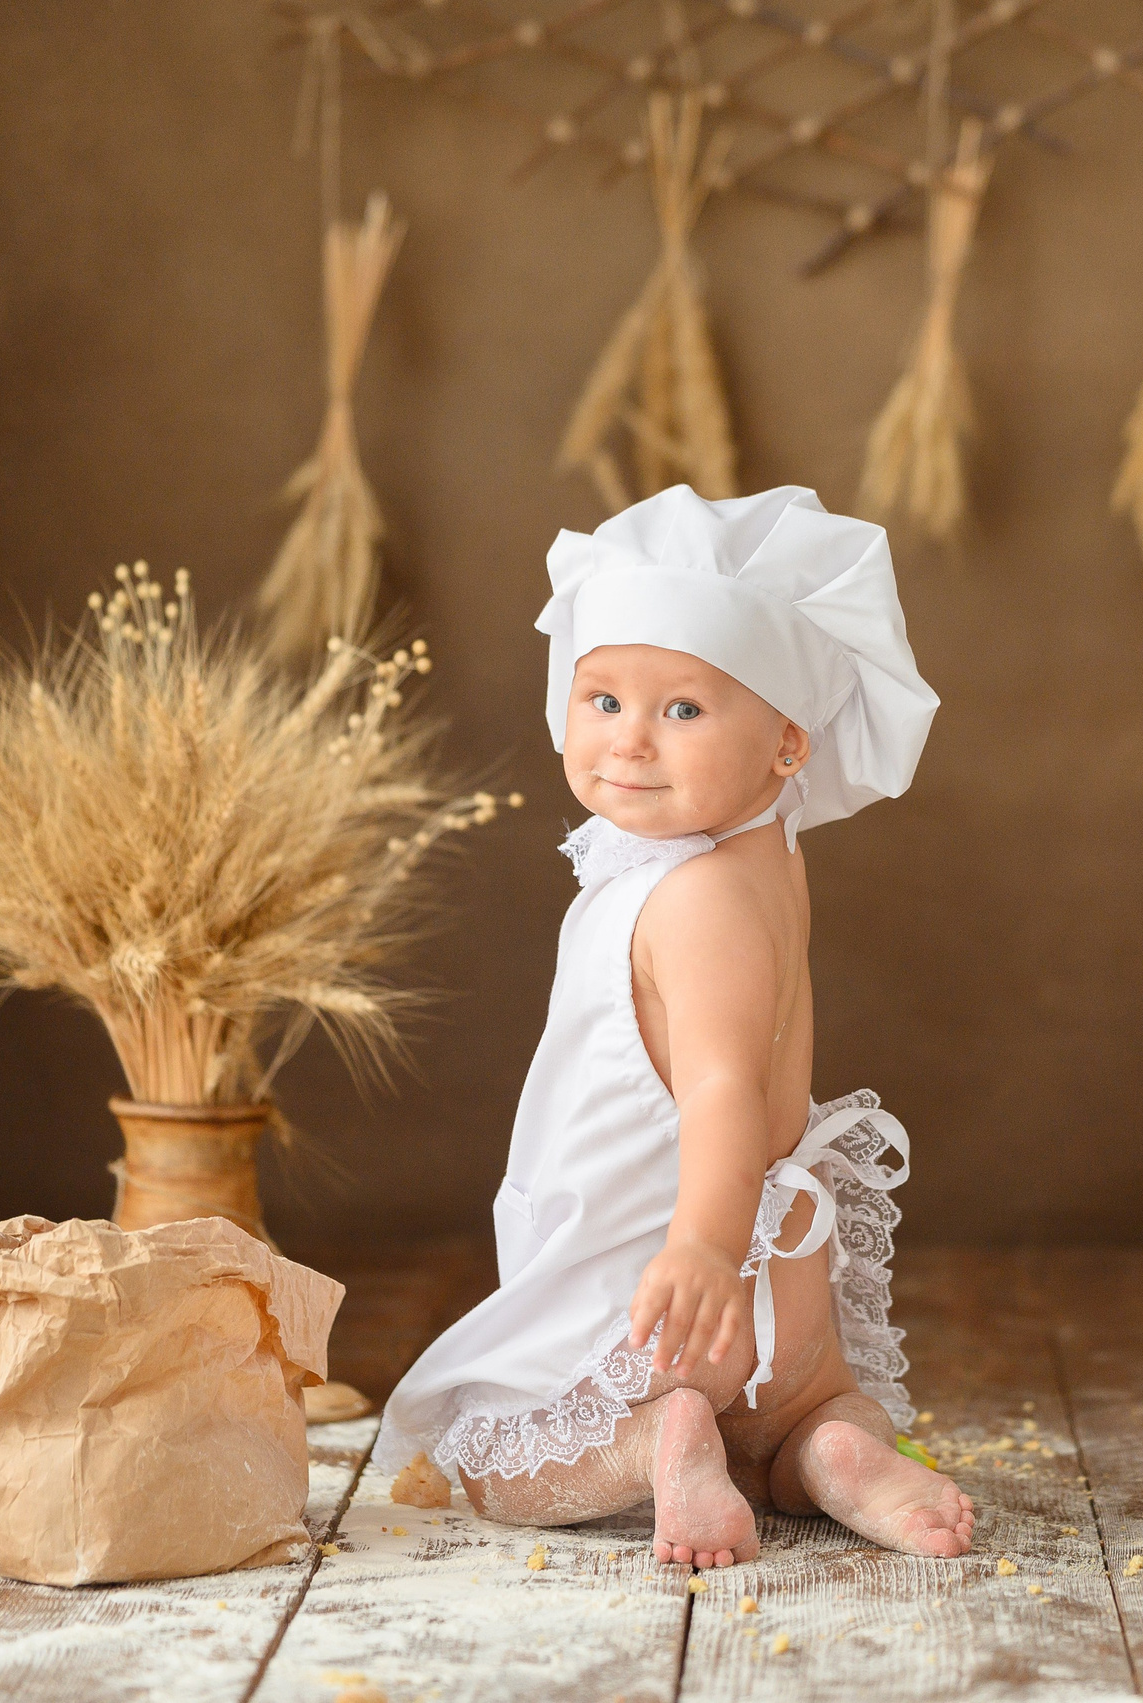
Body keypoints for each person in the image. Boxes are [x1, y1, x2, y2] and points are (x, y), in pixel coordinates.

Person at [374, 485, 972, 1567]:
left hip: (662, 1272)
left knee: (488, 1461)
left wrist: (699, 1241)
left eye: (682, 710)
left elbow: (721, 1086)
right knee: (800, 1413)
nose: (629, 742)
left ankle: (659, 1434)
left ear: (788, 740)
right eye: (601, 698)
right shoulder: (766, 861)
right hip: (783, 1271)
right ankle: (829, 1449)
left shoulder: (690, 896)